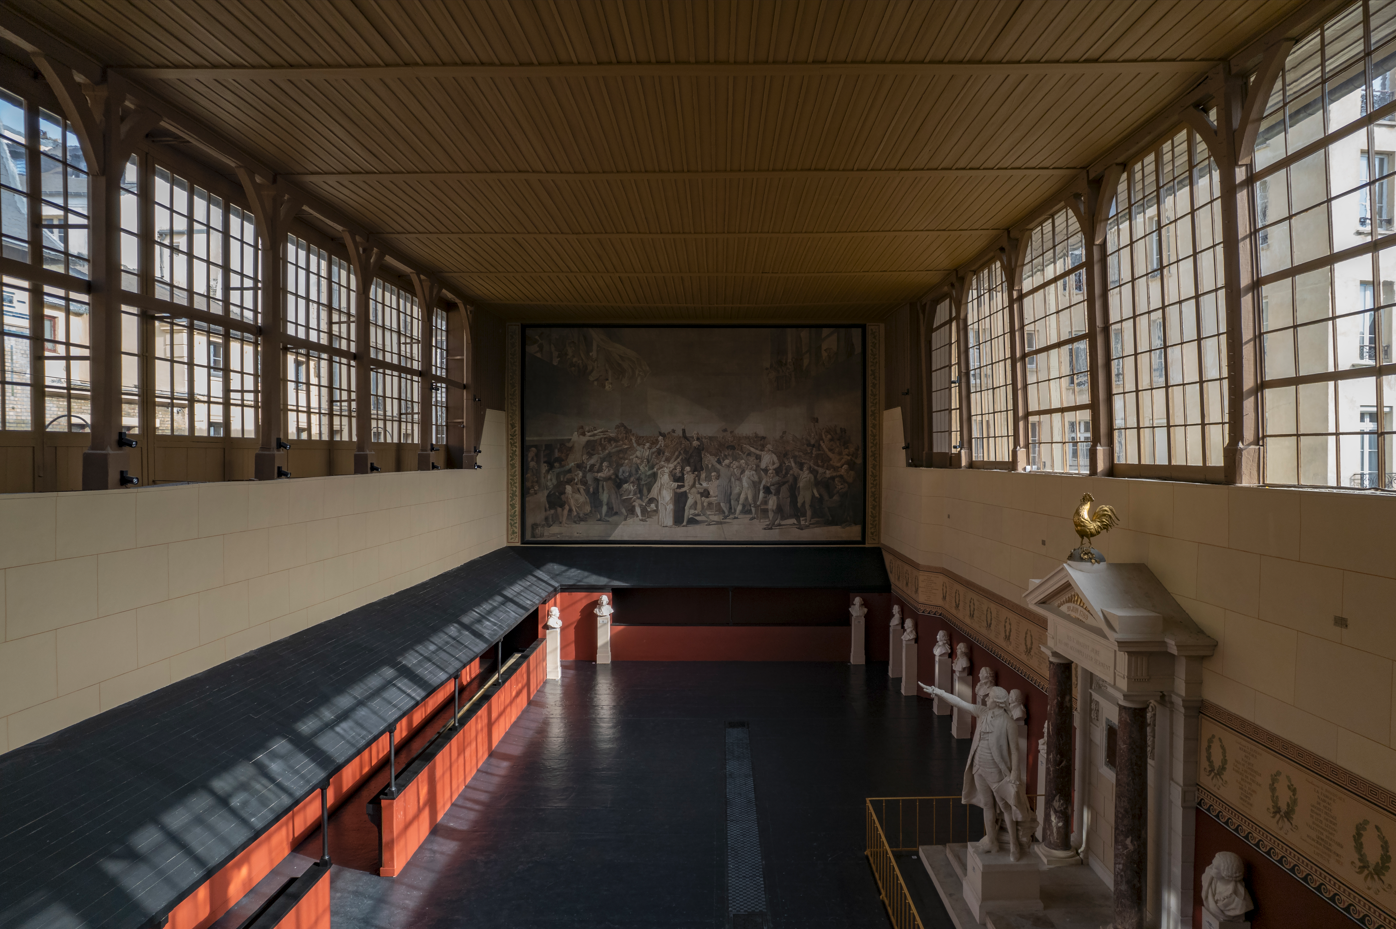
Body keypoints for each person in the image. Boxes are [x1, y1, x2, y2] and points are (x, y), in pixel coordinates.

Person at [919, 683, 1034, 861]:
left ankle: (1014, 845)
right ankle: (992, 842)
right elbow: (960, 703)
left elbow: (1015, 751)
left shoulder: (1008, 722)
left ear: (997, 702)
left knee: (1005, 807)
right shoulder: (983, 712)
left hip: (996, 770)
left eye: (990, 697)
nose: (986, 699)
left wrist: (1015, 774)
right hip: (978, 766)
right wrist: (939, 692)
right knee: (987, 805)